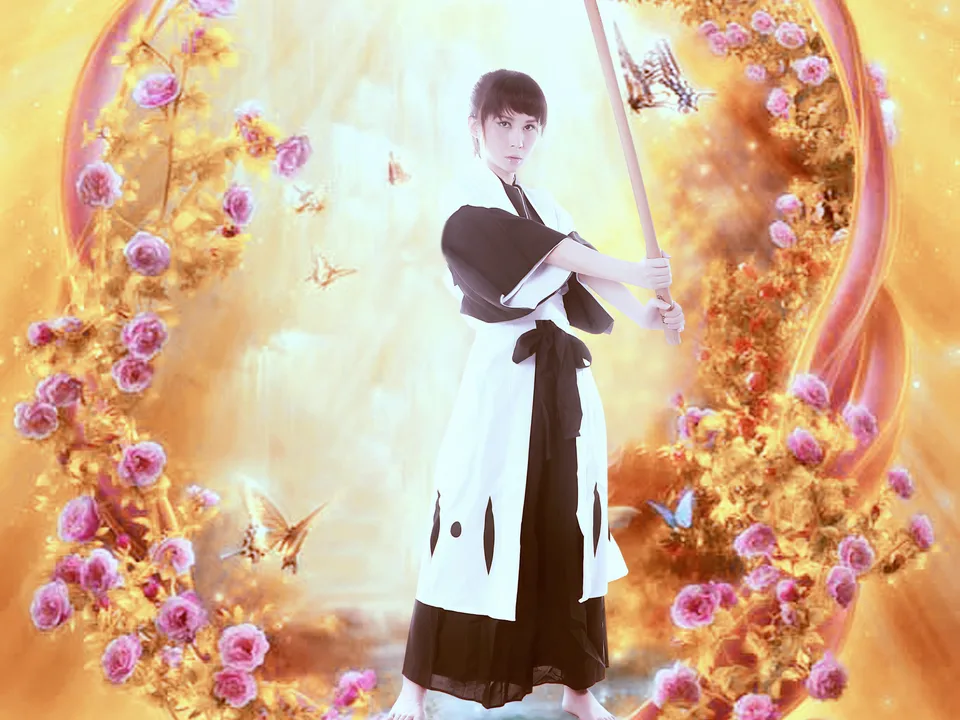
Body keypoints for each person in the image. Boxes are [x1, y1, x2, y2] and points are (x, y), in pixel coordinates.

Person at [387, 69, 684, 720]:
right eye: (504, 124)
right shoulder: (464, 202)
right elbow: (550, 257)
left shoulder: (545, 203)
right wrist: (635, 270)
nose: (518, 140)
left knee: (567, 523)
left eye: (530, 127)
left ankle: (580, 691)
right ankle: (414, 691)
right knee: (471, 519)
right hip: (503, 380)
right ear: (476, 126)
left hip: (562, 384)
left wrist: (646, 311)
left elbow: (583, 266)